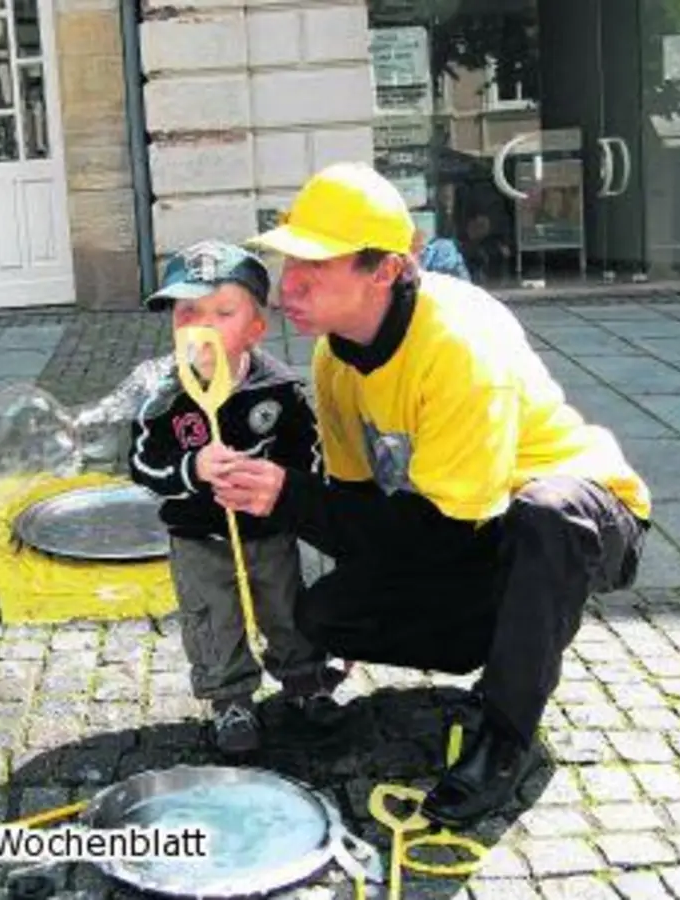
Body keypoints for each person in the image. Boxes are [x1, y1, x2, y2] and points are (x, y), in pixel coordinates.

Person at [207, 163, 651, 827]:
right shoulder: (334, 357)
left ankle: (506, 737)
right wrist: (285, 495)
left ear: (382, 271)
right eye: (288, 262)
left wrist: (287, 496)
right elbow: (358, 507)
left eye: (315, 266)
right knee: (327, 616)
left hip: (580, 518)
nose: (287, 287)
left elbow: (435, 532)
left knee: (545, 518)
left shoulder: (459, 347)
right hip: (466, 525)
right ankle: (505, 637)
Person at [126, 240, 346, 756]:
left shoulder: (278, 390)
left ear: (255, 329)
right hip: (196, 534)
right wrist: (192, 467)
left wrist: (280, 483)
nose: (201, 326)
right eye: (186, 313)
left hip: (267, 529)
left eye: (222, 313)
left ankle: (304, 680)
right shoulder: (163, 396)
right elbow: (141, 463)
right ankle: (229, 699)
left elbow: (307, 454)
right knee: (211, 614)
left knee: (285, 603)